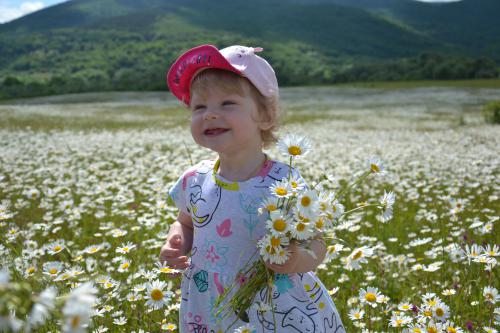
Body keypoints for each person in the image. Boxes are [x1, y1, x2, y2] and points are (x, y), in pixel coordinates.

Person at [160, 44, 345, 333]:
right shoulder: (194, 179)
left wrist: (298, 259)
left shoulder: (287, 183)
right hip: (208, 305)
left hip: (274, 307)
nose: (209, 114)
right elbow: (186, 223)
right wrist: (177, 242)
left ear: (266, 116)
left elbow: (316, 242)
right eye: (199, 107)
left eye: (227, 104)